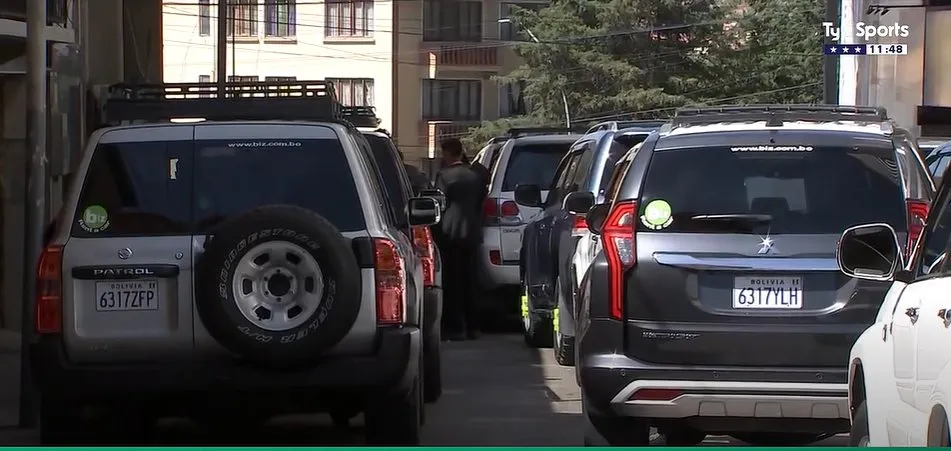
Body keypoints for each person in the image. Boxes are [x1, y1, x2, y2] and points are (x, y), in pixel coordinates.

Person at [433, 138, 487, 341]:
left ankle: (456, 327)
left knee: (453, 281)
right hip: (472, 232)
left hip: (450, 232)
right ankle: (474, 326)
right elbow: (480, 202)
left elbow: (439, 203)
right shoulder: (475, 176)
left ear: (447, 153)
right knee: (470, 280)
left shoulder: (445, 176)